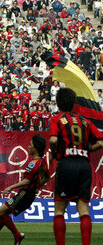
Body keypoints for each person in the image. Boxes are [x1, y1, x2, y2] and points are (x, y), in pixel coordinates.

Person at [48, 88, 103, 245]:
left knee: (59, 210)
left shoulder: (57, 119)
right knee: (84, 210)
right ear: (73, 104)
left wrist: (55, 153)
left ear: (58, 104)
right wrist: (87, 149)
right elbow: (100, 142)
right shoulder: (85, 121)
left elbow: (52, 140)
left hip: (66, 164)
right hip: (84, 165)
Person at [0, 135, 49, 244]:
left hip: (25, 194)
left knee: (0, 211)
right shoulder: (42, 162)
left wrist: (10, 187)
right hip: (29, 195)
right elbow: (47, 177)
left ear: (35, 148)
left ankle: (17, 235)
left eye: (30, 144)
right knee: (4, 213)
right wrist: (37, 186)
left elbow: (27, 181)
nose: (28, 146)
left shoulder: (33, 164)